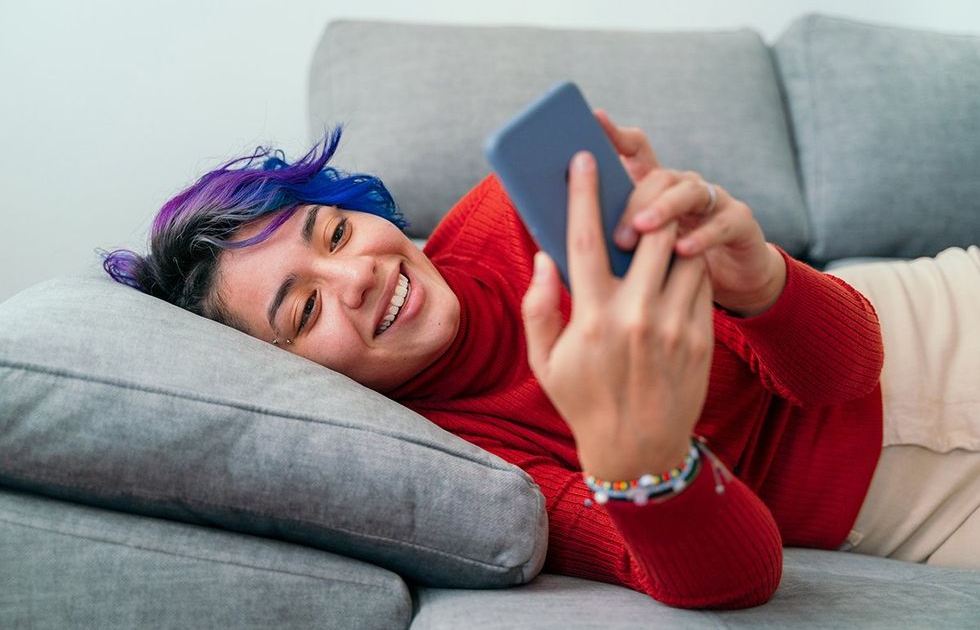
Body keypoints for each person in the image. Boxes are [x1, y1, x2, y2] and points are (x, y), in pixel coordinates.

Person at [103, 116, 980, 609]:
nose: (359, 274)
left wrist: (756, 276)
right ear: (290, 376)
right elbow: (744, 575)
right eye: (303, 308)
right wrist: (635, 456)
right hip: (915, 516)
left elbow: (843, 369)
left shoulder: (519, 215)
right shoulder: (467, 466)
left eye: (334, 231)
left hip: (927, 319)